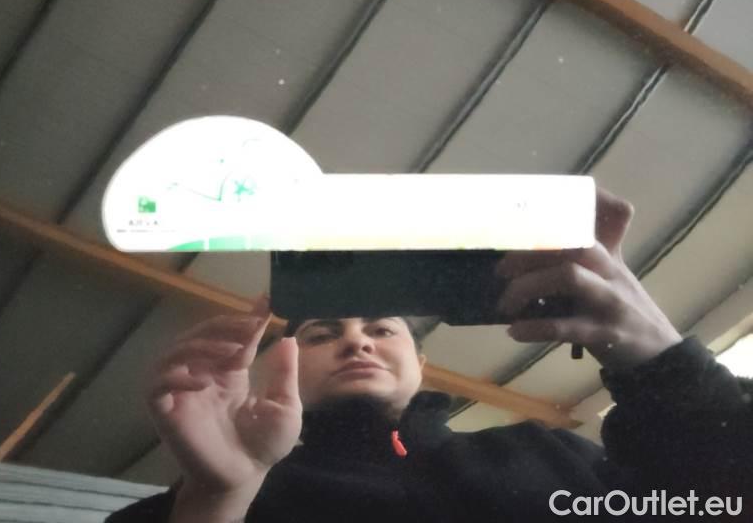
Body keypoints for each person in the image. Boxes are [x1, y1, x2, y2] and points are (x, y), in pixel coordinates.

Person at [107, 189, 753, 522]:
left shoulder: (550, 454)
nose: (357, 340)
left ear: (422, 364)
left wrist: (665, 364)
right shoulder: (222, 493)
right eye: (322, 334)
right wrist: (215, 504)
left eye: (382, 330)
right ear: (284, 369)